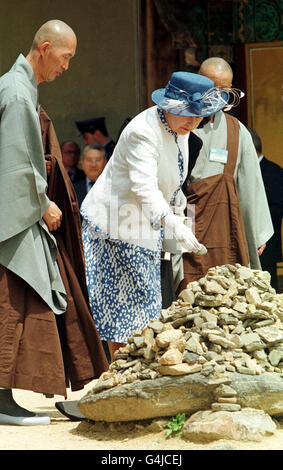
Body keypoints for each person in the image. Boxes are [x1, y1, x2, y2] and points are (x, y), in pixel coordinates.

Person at [0, 19, 108, 426]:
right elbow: (14, 163)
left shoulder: (21, 88)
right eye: (65, 57)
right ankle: (1, 398)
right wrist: (42, 203)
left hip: (19, 215)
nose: (66, 67)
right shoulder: (15, 91)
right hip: (14, 219)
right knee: (14, 305)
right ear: (44, 48)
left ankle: (5, 395)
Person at [80, 71, 229, 362]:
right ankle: (121, 383)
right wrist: (173, 223)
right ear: (169, 106)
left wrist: (181, 213)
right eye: (188, 114)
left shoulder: (181, 129)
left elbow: (173, 179)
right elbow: (144, 188)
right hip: (114, 227)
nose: (193, 122)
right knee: (124, 315)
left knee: (148, 308)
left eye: (199, 117)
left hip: (146, 227)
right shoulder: (142, 131)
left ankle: (134, 381)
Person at [178, 57, 274, 292]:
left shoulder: (236, 130)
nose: (217, 96)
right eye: (211, 88)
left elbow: (251, 185)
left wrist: (257, 233)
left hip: (226, 224)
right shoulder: (179, 122)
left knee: (231, 290)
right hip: (187, 222)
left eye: (224, 90)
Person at [248, 128, 283, 291]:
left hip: (268, 242)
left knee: (268, 291)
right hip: (248, 241)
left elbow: (276, 210)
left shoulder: (274, 172)